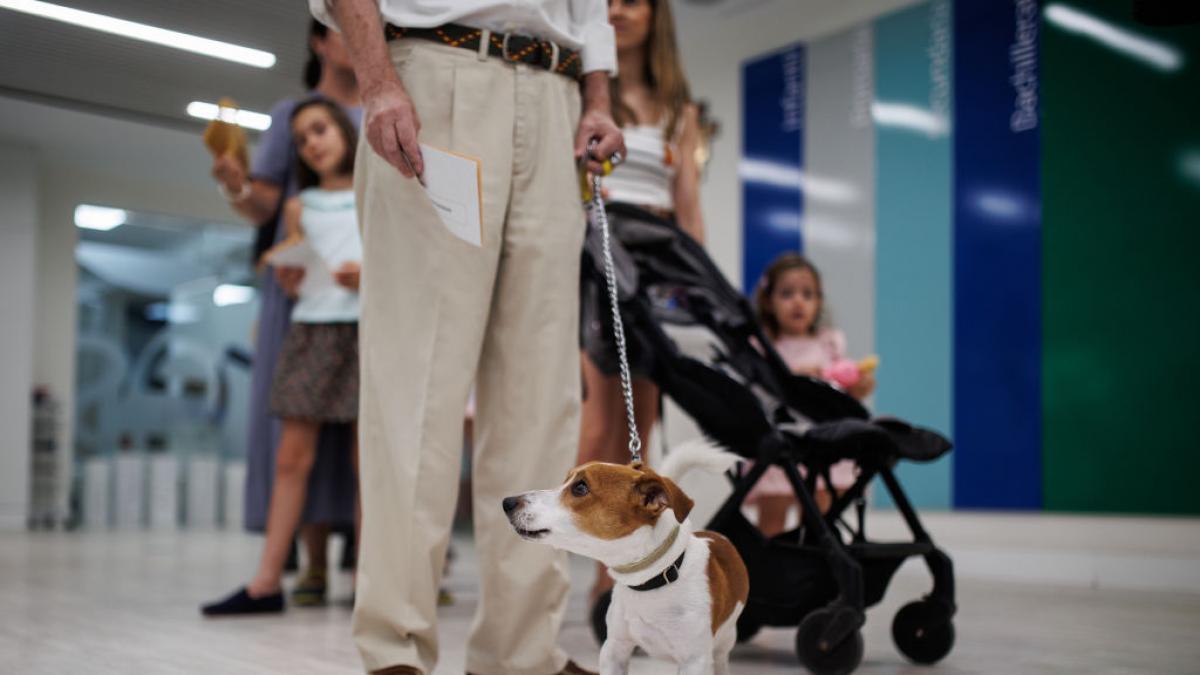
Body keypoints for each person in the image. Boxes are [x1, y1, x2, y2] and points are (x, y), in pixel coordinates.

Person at [311, 1, 624, 673]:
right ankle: (395, 646)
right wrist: (377, 79)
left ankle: (522, 653)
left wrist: (598, 96)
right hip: (434, 76)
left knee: (541, 402)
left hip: (557, 99)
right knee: (417, 385)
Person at [210, 19, 362, 607]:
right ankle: (286, 569)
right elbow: (268, 213)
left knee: (364, 452)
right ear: (319, 40)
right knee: (294, 449)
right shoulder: (297, 174)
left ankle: (372, 572)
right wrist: (238, 188)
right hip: (308, 318)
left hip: (365, 319)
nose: (314, 142)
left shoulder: (385, 121)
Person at [576, 0, 706, 608]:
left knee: (640, 427)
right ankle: (554, 569)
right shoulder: (584, 93)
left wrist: (699, 284)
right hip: (601, 257)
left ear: (659, 17)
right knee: (603, 418)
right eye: (608, 1)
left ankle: (620, 575)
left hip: (658, 271)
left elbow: (687, 206)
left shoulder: (682, 111)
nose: (618, 10)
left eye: (633, 1)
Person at [750, 253, 875, 536]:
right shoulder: (764, 346)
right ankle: (770, 573)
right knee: (770, 523)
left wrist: (857, 388)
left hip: (822, 445)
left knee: (820, 520)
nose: (798, 301)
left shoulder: (828, 342)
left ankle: (813, 570)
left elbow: (839, 394)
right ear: (768, 301)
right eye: (786, 293)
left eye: (807, 294)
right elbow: (757, 392)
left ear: (818, 302)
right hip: (779, 443)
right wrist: (794, 378)